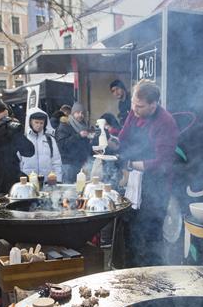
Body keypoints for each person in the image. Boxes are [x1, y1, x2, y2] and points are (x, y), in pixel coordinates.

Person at [107, 79, 179, 266]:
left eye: (139, 106)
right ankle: (128, 271)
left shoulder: (166, 122)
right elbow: (123, 138)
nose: (134, 109)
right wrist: (111, 142)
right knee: (130, 231)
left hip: (157, 187)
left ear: (153, 105)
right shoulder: (133, 113)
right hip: (134, 184)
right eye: (133, 104)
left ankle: (153, 277)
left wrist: (131, 163)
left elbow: (162, 162)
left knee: (150, 237)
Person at [56, 101, 94, 183]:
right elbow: (62, 145)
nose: (81, 115)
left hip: (81, 164)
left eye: (82, 113)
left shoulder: (84, 126)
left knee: (80, 190)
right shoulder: (64, 126)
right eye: (77, 112)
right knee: (69, 190)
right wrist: (78, 136)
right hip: (68, 165)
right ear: (72, 113)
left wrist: (92, 146)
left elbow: (83, 147)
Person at [20, 107, 62, 178]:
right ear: (30, 122)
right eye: (36, 122)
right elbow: (18, 162)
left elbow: (56, 162)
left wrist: (58, 179)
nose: (39, 125)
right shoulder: (23, 139)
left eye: (41, 123)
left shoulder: (50, 140)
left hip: (47, 181)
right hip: (27, 181)